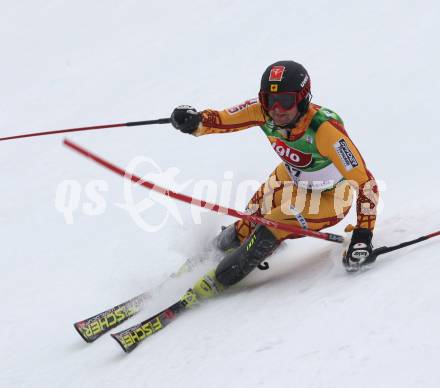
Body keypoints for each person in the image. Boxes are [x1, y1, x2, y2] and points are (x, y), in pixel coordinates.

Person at [170, 60, 379, 302]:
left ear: (302, 99)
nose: (277, 109)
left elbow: (365, 183)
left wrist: (363, 236)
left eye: (286, 101)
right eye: (270, 100)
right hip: (289, 180)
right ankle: (206, 257)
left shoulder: (325, 131)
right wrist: (195, 120)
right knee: (246, 224)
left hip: (331, 197)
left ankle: (216, 281)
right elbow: (222, 119)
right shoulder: (263, 111)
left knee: (270, 225)